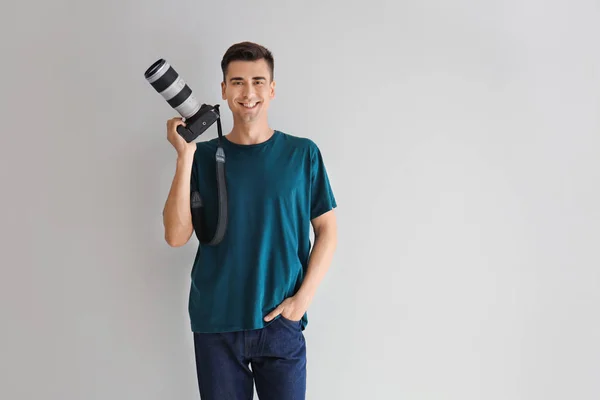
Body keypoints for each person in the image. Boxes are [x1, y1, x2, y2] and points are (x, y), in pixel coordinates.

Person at [162, 41, 338, 400]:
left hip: (280, 320)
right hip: (217, 322)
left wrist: (301, 301)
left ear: (272, 90)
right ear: (224, 90)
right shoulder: (203, 156)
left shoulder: (302, 154)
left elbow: (327, 230)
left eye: (258, 81)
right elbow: (176, 236)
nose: (249, 92)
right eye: (238, 82)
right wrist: (185, 156)